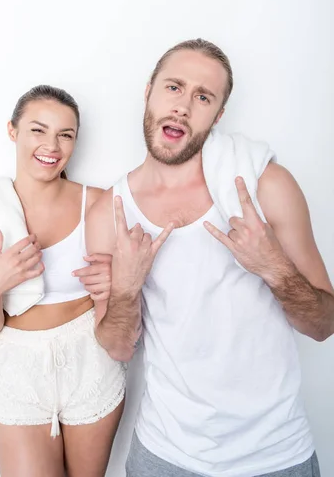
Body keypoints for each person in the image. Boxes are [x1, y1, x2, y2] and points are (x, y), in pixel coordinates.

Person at [85, 39, 334, 477]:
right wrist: (126, 286)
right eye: (174, 87)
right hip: (164, 454)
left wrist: (273, 266)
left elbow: (325, 325)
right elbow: (118, 347)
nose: (183, 106)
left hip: (275, 455)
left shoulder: (265, 187)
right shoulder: (110, 212)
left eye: (203, 97)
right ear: (149, 91)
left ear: (218, 115)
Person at [0, 85, 126, 477]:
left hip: (91, 360)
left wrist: (119, 282)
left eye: (65, 134)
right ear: (12, 131)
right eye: (38, 130)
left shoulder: (100, 203)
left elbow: (131, 307)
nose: (52, 145)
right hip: (18, 369)